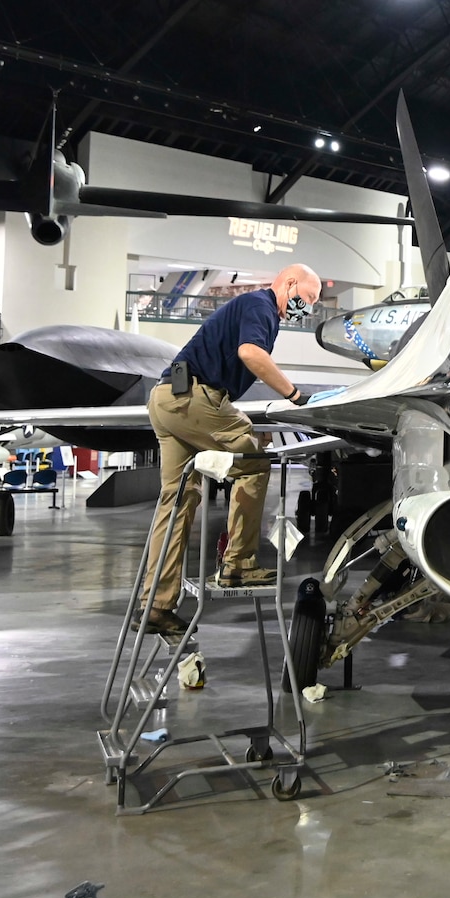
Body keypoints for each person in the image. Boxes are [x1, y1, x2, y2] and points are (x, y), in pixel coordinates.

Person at [136, 263, 321, 637]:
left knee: (177, 500)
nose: (309, 308)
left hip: (166, 398)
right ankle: (238, 563)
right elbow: (251, 353)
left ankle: (155, 605)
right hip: (195, 399)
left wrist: (246, 430)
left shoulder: (252, 307)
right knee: (254, 464)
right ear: (288, 283)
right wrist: (295, 395)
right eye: (309, 298)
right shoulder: (262, 305)